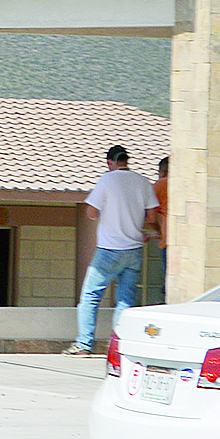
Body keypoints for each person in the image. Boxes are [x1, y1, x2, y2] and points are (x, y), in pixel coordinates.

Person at [67, 144, 160, 354]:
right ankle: (118, 347)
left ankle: (84, 344)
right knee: (125, 299)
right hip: (134, 249)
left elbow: (91, 212)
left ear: (110, 163)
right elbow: (152, 217)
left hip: (109, 249)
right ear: (127, 161)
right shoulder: (143, 181)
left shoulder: (107, 179)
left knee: (91, 295)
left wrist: (108, 216)